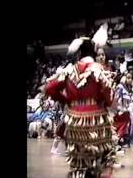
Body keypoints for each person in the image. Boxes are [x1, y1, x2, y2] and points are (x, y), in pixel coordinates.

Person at [44, 25, 118, 178]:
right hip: (96, 124)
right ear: (93, 52)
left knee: (79, 161)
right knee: (102, 159)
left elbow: (50, 89)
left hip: (74, 123)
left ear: (79, 53)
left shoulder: (68, 70)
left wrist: (67, 101)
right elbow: (109, 98)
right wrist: (107, 102)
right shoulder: (98, 69)